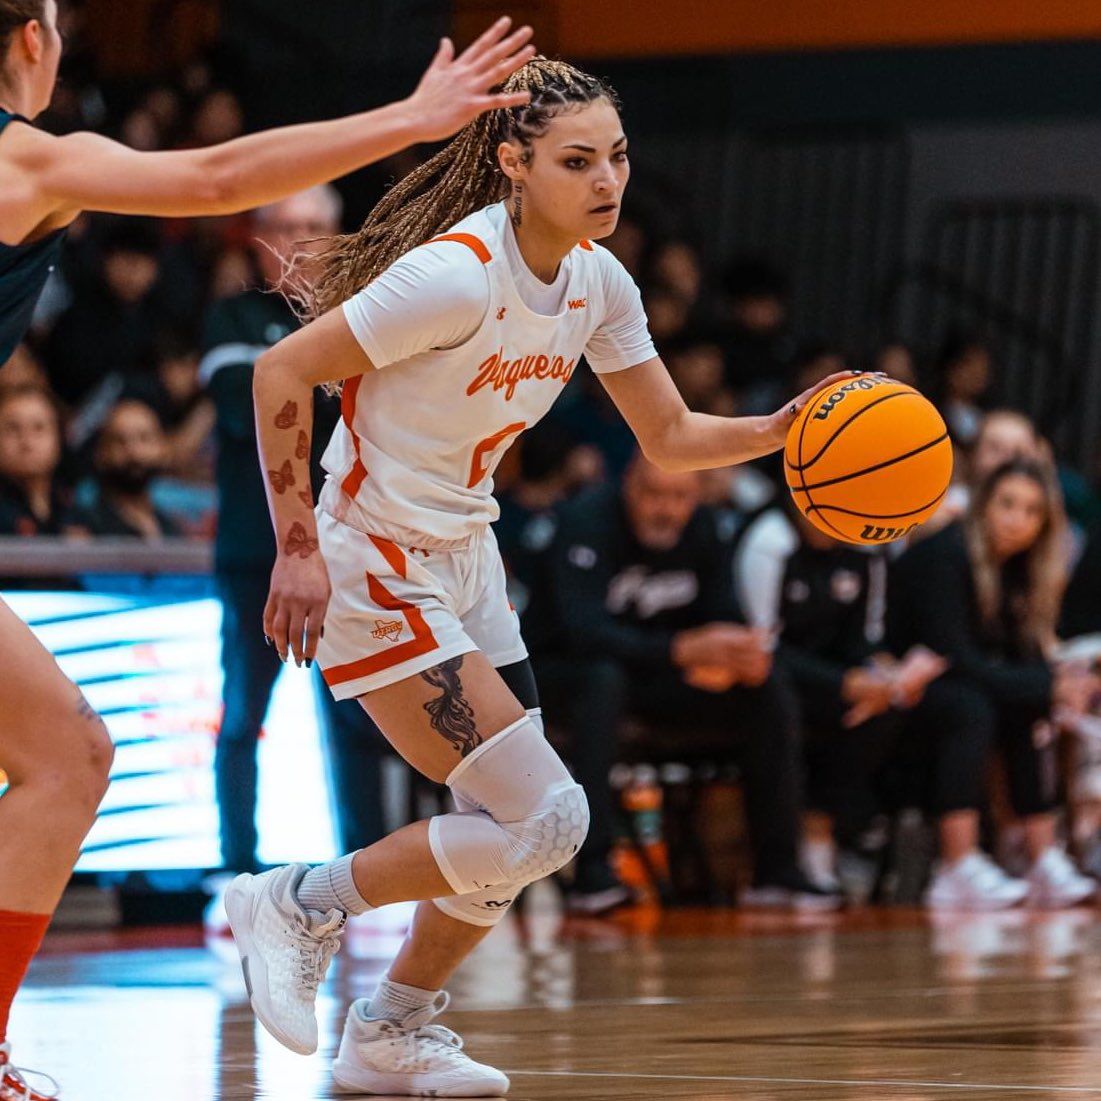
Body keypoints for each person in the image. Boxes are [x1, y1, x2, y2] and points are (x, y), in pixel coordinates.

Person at [221, 56, 853, 1096]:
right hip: (370, 554)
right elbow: (281, 371)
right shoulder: (458, 273)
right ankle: (298, 900)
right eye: (576, 160)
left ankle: (391, 1030)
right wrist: (294, 548)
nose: (607, 180)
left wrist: (782, 434)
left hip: (467, 554)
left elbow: (671, 434)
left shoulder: (599, 282)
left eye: (617, 157)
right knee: (547, 821)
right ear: (514, 163)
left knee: (505, 831)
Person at [0, 2, 535, 1091]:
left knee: (69, 755)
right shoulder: (23, 156)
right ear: (32, 41)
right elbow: (216, 179)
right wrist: (414, 115)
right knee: (69, 756)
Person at [526, 452, 830, 913]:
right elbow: (582, 633)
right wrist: (681, 650)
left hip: (655, 680)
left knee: (767, 685)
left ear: (698, 497)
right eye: (655, 495)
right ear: (628, 484)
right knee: (602, 681)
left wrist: (733, 656)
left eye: (680, 497)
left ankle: (777, 871)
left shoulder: (704, 528)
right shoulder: (584, 521)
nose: (666, 509)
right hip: (564, 679)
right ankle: (593, 874)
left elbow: (724, 613)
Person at [201, 185, 389, 874]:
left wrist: (295, 388)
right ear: (260, 238)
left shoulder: (367, 315)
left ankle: (365, 866)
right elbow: (237, 408)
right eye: (288, 227)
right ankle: (235, 869)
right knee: (243, 713)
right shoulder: (233, 315)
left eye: (316, 227)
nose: (303, 242)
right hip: (256, 552)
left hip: (346, 544)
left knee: (356, 711)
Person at [890, 459, 1099, 910]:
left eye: (1031, 511)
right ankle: (956, 864)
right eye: (1007, 504)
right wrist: (1047, 682)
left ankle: (1044, 857)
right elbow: (955, 659)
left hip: (963, 685)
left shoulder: (1021, 569)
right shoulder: (946, 556)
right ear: (983, 503)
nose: (1016, 520)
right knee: (974, 706)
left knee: (1027, 703)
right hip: (901, 684)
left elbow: (1019, 656)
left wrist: (1059, 682)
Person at [735, 499, 946, 894]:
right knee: (777, 701)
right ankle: (786, 858)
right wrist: (843, 683)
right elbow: (759, 649)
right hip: (769, 682)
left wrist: (883, 675)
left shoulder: (867, 547)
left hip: (834, 683)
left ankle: (830, 834)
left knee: (890, 706)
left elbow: (864, 639)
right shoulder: (770, 540)